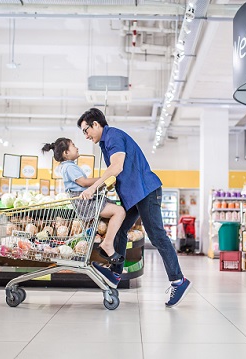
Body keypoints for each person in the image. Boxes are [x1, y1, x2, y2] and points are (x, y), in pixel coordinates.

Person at [77, 108, 192, 308]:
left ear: (96, 124)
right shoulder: (106, 142)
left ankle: (178, 281)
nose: (86, 136)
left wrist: (93, 187)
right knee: (120, 228)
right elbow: (119, 173)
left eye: (86, 130)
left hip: (146, 191)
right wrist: (100, 185)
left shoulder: (113, 136)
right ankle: (114, 274)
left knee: (157, 236)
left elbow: (117, 167)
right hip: (134, 195)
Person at [42, 138, 126, 264]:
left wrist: (103, 183)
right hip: (85, 202)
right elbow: (84, 183)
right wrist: (104, 178)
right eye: (73, 145)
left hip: (86, 200)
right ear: (66, 153)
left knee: (115, 212)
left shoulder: (68, 166)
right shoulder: (69, 167)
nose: (77, 148)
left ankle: (107, 244)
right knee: (119, 212)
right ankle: (107, 244)